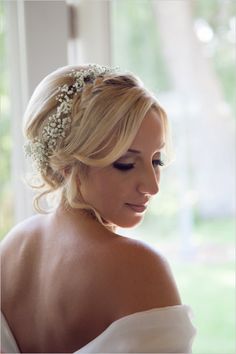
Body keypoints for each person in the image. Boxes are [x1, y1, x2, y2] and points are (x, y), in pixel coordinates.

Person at [1, 64, 196, 353]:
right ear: (68, 165)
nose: (152, 187)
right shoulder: (140, 269)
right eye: (126, 164)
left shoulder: (13, 247)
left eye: (157, 161)